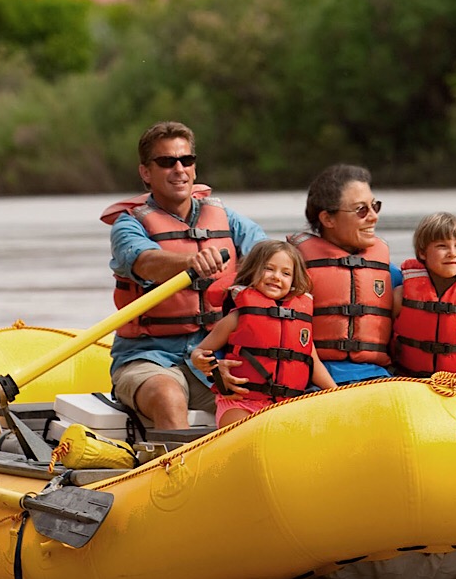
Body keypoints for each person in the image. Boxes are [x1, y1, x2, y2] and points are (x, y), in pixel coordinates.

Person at [105, 121, 267, 430]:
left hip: (213, 354)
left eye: (186, 160)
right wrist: (190, 261)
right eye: (166, 162)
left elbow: (266, 253)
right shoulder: (127, 226)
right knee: (168, 396)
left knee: (270, 389)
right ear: (145, 173)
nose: (179, 169)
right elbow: (145, 261)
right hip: (148, 357)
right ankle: (178, 474)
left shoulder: (226, 218)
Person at [191, 240, 337, 426]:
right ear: (253, 271)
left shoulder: (299, 323)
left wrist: (336, 393)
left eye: (286, 273)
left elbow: (313, 363)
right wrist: (204, 362)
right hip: (240, 403)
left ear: (294, 281)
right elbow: (199, 351)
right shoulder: (237, 317)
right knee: (244, 430)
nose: (276, 277)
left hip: (285, 405)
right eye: (269, 269)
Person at [289, 164, 395, 384]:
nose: (373, 217)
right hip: (311, 383)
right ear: (328, 219)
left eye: (375, 206)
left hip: (379, 379)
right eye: (361, 210)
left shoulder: (388, 273)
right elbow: (249, 316)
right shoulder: (290, 271)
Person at [389, 211, 456, 378]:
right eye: (442, 246)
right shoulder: (400, 297)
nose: (452, 253)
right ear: (422, 253)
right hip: (410, 384)